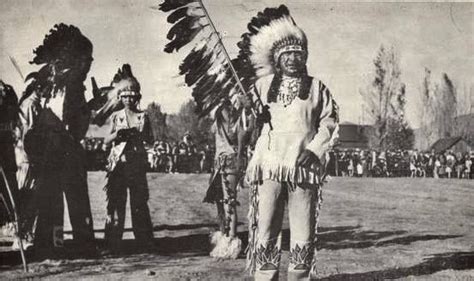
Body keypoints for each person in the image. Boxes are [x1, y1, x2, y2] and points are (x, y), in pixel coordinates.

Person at [243, 12, 339, 280]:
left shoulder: (318, 88)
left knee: (303, 230)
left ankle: (299, 277)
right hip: (270, 166)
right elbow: (248, 123)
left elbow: (329, 122)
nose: (293, 59)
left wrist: (314, 150)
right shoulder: (262, 86)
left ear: (305, 57)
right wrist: (247, 109)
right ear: (277, 59)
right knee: (266, 229)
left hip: (303, 167)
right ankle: (265, 277)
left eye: (298, 54)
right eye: (287, 55)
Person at [20, 24, 95, 257]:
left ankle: (59, 244)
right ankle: (56, 244)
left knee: (66, 200)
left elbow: (75, 124)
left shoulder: (68, 87)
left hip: (63, 150)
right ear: (75, 60)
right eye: (87, 60)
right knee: (54, 201)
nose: (90, 64)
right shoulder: (62, 87)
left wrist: (88, 109)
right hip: (56, 151)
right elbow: (69, 124)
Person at [103, 64, 154, 254]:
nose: (128, 100)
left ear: (137, 98)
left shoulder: (143, 117)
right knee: (116, 203)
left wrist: (137, 137)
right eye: (125, 96)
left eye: (132, 97)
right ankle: (113, 242)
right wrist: (118, 134)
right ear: (120, 97)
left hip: (136, 166)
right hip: (118, 166)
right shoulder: (116, 117)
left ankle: (144, 241)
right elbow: (106, 140)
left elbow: (150, 140)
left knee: (139, 203)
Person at [203, 99, 253, 259]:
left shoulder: (236, 115)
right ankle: (224, 234)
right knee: (220, 201)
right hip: (220, 161)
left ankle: (231, 239)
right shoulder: (219, 111)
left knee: (228, 201)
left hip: (230, 160)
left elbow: (240, 134)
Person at [0, 80, 20, 240]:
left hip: (5, 151)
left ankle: (12, 223)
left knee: (8, 188)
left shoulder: (7, 91)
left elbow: (13, 120)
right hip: (6, 150)